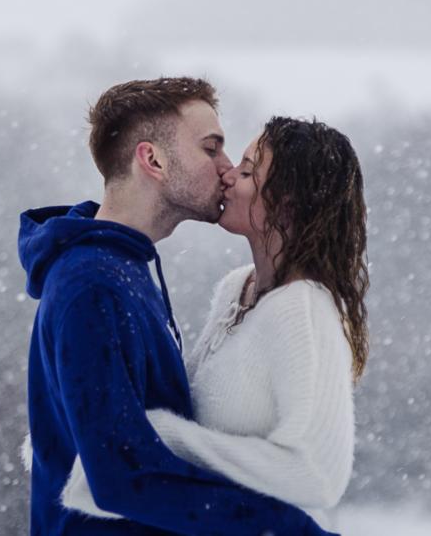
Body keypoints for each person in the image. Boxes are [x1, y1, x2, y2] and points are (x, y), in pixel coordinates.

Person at [18, 78, 336, 535]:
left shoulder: (125, 267)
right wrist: (288, 528)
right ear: (153, 159)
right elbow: (121, 477)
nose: (227, 168)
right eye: (211, 148)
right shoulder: (93, 284)